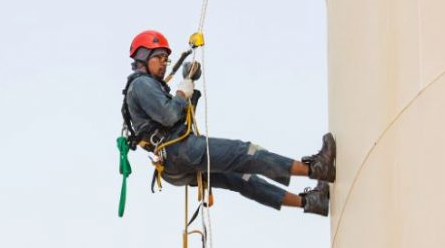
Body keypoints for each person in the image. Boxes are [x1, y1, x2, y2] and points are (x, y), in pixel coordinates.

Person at [121, 30, 336, 216]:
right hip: (180, 151)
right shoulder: (141, 84)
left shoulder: (150, 87)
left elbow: (180, 120)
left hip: (174, 163)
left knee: (242, 179)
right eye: (159, 57)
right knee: (245, 153)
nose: (164, 64)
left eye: (166, 60)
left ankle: (311, 203)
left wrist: (190, 87)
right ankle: (316, 168)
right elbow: (169, 115)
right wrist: (180, 93)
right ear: (142, 57)